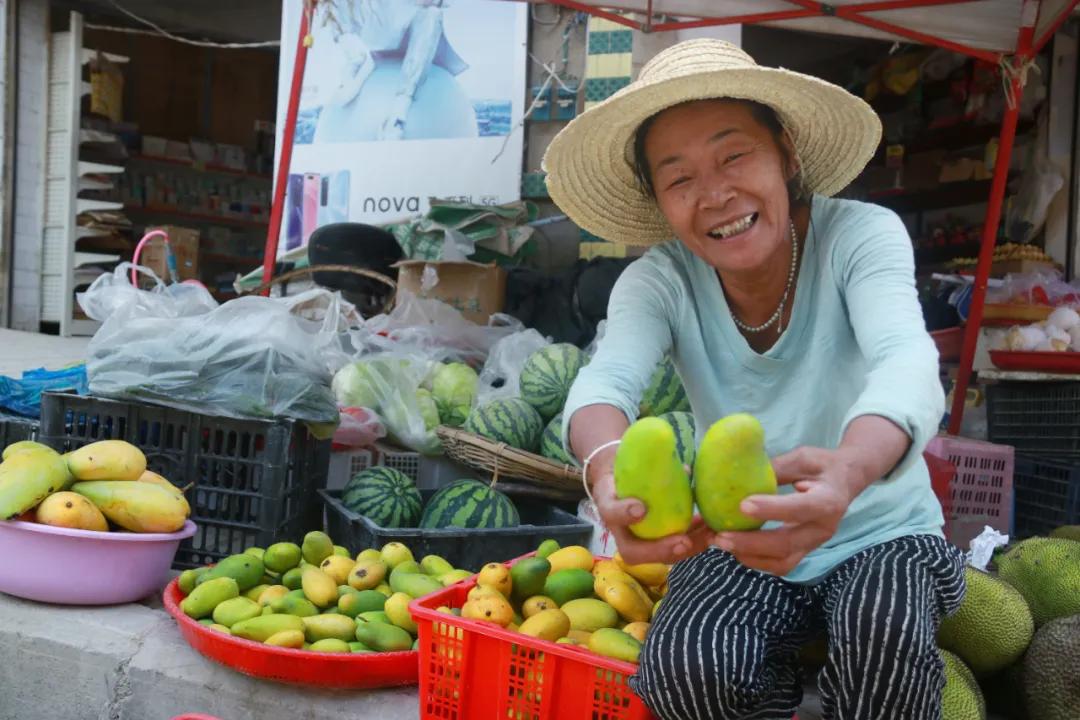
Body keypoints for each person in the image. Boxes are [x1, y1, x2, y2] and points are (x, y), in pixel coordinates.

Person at [542, 39, 965, 720]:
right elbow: (603, 387)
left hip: (884, 533)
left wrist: (848, 474)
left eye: (734, 155)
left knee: (882, 628)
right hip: (738, 539)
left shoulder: (860, 236)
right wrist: (607, 476)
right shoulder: (658, 281)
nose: (714, 194)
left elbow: (906, 360)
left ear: (787, 155)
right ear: (659, 200)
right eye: (678, 178)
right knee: (687, 670)